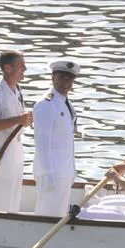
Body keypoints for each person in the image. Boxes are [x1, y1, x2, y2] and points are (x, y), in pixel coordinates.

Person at [0, 49, 33, 212]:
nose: (25, 69)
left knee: (15, 193)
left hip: (16, 148)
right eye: (21, 66)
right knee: (2, 196)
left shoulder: (16, 89)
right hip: (3, 149)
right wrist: (18, 120)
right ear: (8, 68)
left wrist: (27, 120)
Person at [33, 59, 81, 217]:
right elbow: (42, 143)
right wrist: (49, 174)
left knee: (59, 215)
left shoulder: (66, 104)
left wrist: (71, 171)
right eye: (62, 78)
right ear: (53, 77)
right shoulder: (46, 104)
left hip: (64, 171)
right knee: (46, 217)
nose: (66, 83)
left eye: (69, 79)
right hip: (51, 172)